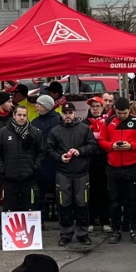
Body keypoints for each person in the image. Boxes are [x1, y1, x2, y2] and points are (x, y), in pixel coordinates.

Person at [46, 101, 99, 247]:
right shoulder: (55, 131)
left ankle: (83, 233)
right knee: (64, 204)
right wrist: (59, 157)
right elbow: (49, 150)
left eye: (70, 113)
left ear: (75, 114)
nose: (68, 115)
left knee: (82, 204)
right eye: (65, 113)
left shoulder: (84, 129)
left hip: (82, 173)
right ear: (61, 114)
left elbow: (93, 146)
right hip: (63, 173)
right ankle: (66, 234)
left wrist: (80, 151)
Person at [99, 97, 136, 244]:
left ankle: (134, 230)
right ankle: (116, 230)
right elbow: (101, 140)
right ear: (115, 110)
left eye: (125, 113)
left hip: (132, 166)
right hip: (113, 167)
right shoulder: (108, 122)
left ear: (129, 110)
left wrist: (131, 146)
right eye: (119, 113)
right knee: (114, 202)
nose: (122, 116)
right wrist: (111, 146)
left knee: (133, 201)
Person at [0, 105, 42, 217]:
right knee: (10, 209)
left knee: (29, 209)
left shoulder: (35, 133)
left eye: (24, 115)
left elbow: (42, 152)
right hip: (9, 179)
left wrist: (35, 167)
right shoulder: (3, 133)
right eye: (19, 115)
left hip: (28, 179)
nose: (22, 117)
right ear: (14, 115)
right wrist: (2, 169)